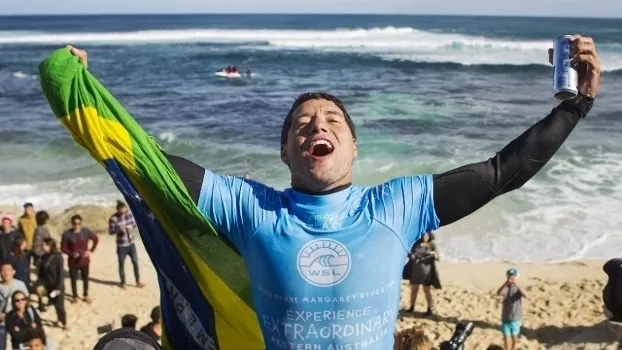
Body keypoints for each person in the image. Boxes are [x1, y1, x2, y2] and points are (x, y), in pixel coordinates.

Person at [62, 35, 600, 350]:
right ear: (286, 153)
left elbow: (502, 172)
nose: (317, 125)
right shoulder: (251, 209)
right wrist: (87, 92)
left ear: (353, 146)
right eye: (302, 123)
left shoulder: (397, 205)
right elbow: (150, 165)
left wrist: (574, 106)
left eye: (331, 118)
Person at [60, 214, 98, 304]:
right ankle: (75, 296)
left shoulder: (86, 232)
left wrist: (91, 250)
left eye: (78, 223)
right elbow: (63, 248)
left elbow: (96, 239)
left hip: (85, 261)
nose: (76, 225)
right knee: (73, 280)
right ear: (72, 223)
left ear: (81, 223)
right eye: (74, 223)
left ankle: (85, 295)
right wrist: (72, 254)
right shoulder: (67, 234)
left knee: (85, 279)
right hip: (73, 262)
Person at [108, 201, 144, 289]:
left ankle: (138, 281)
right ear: (118, 210)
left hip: (131, 243)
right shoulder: (113, 218)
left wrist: (131, 227)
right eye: (122, 209)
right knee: (121, 264)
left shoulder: (129, 215)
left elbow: (135, 224)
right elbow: (111, 232)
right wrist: (118, 229)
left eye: (125, 209)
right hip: (121, 245)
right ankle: (123, 282)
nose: (124, 211)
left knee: (135, 262)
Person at [404, 232, 440, 316]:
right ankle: (411, 307)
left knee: (427, 291)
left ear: (429, 236)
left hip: (427, 271)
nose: (424, 236)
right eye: (423, 235)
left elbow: (438, 258)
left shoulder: (431, 245)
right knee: (414, 290)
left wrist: (434, 254)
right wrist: (412, 256)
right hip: (415, 271)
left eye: (426, 235)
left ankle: (429, 309)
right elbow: (409, 253)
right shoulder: (416, 243)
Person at [36, 238, 68, 330]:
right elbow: (41, 273)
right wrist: (40, 285)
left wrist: (58, 288)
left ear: (49, 245)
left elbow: (60, 274)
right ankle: (59, 319)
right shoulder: (44, 257)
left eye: (44, 245)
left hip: (58, 286)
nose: (42, 246)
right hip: (48, 285)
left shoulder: (58, 257)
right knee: (54, 304)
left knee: (60, 305)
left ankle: (64, 322)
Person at [0, 262, 29, 350]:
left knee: (20, 345)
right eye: (3, 270)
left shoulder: (20, 285)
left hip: (17, 319)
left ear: (13, 272)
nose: (6, 272)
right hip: (2, 321)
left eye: (8, 270)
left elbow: (27, 301)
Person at [496, 268, 527, 350]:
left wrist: (516, 284)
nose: (511, 278)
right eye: (510, 276)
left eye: (513, 276)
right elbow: (499, 293)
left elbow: (525, 295)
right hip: (506, 317)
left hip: (516, 318)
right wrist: (506, 283)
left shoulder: (518, 288)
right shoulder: (506, 288)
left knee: (514, 337)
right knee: (506, 337)